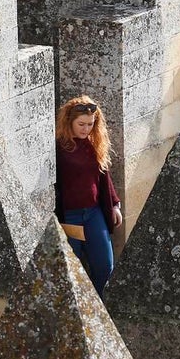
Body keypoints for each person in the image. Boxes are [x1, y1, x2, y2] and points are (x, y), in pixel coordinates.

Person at [55, 96, 122, 296]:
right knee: (71, 272)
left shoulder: (94, 144)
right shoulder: (59, 148)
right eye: (81, 124)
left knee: (105, 267)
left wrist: (115, 205)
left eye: (90, 124)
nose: (86, 129)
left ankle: (101, 312)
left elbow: (103, 175)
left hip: (94, 214)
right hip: (69, 217)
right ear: (69, 122)